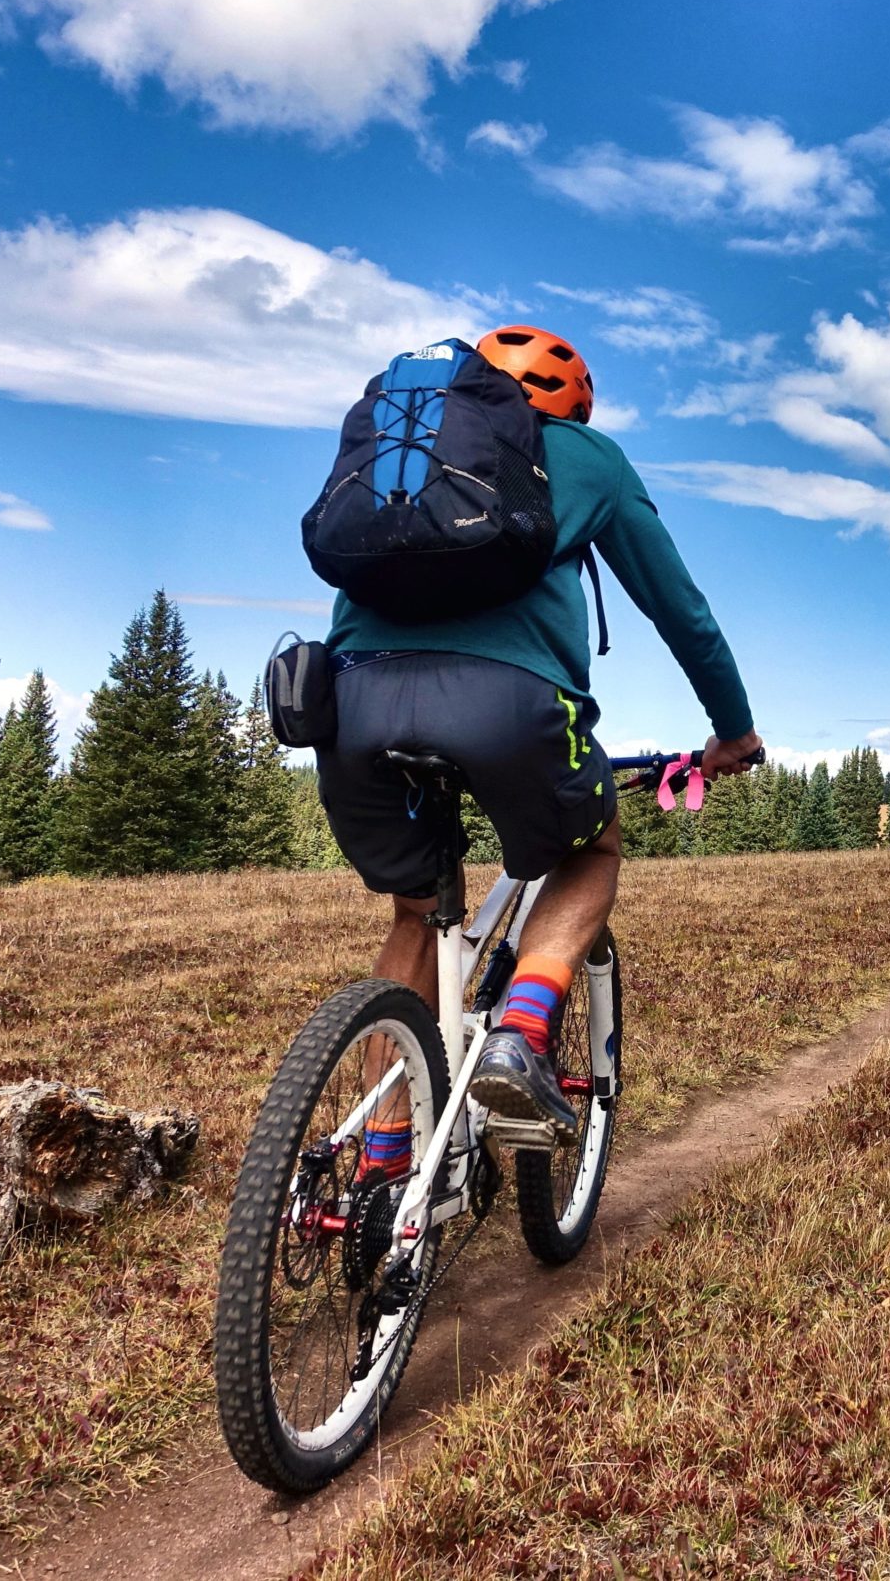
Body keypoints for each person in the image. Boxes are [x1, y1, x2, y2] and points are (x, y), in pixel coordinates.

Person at [316, 324, 761, 1164]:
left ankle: (382, 1160)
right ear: (575, 403)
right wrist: (731, 731)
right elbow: (681, 613)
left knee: (417, 912)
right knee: (588, 852)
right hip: (508, 706)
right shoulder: (587, 457)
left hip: (346, 701)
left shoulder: (401, 451)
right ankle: (519, 1036)